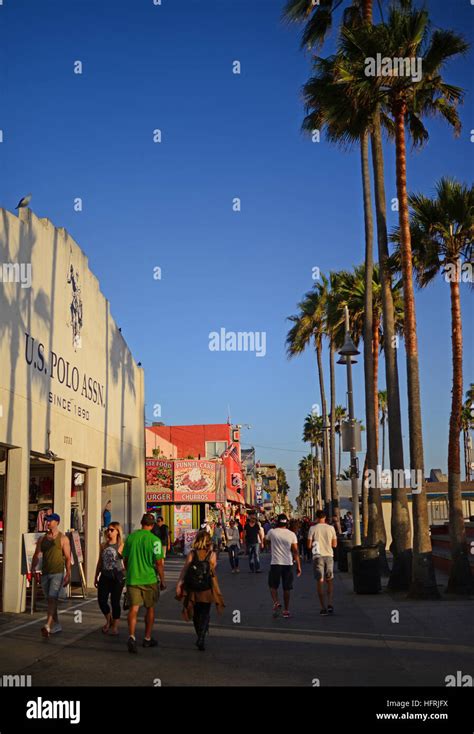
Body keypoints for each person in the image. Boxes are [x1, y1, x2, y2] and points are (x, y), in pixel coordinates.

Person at [122, 513, 166, 653]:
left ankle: (132, 636)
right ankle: (147, 638)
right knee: (150, 608)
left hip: (133, 578)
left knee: (133, 608)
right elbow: (159, 563)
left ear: (141, 523)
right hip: (149, 579)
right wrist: (162, 580)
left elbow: (125, 559)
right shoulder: (155, 541)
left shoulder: (130, 538)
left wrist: (129, 571)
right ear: (152, 526)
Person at [175, 530, 225, 651]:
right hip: (207, 587)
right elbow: (213, 569)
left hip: (193, 587)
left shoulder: (192, 553)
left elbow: (185, 569)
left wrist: (179, 583)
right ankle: (202, 636)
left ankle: (199, 635)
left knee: (196, 614)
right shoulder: (212, 554)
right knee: (205, 612)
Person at [31, 513, 71, 638]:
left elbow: (68, 557)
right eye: (47, 521)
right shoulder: (42, 539)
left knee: (52, 598)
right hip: (45, 573)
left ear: (57, 522)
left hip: (57, 573)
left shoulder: (63, 538)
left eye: (50, 521)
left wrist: (68, 573)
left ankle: (47, 625)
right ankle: (57, 624)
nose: (48, 523)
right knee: (50, 600)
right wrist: (33, 568)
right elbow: (37, 554)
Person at [266, 514, 301, 618]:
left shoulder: (272, 532)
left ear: (277, 522)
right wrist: (298, 565)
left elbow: (266, 541)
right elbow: (295, 551)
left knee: (272, 586)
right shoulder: (292, 534)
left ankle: (276, 602)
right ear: (287, 523)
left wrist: (270, 545)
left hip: (275, 563)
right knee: (287, 588)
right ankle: (286, 610)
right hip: (288, 564)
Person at [94, 522, 125, 635]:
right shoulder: (103, 545)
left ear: (117, 531)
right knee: (102, 600)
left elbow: (126, 561)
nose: (109, 532)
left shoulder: (121, 545)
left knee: (115, 601)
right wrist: (96, 575)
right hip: (105, 575)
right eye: (108, 530)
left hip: (117, 576)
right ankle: (109, 620)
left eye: (112, 530)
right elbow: (100, 561)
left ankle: (115, 626)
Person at [307, 509, 338, 616]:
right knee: (329, 580)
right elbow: (334, 545)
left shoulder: (312, 528)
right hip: (329, 555)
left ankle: (323, 607)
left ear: (316, 517)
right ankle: (330, 603)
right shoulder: (331, 528)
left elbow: (309, 545)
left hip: (317, 556)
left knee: (320, 581)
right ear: (325, 517)